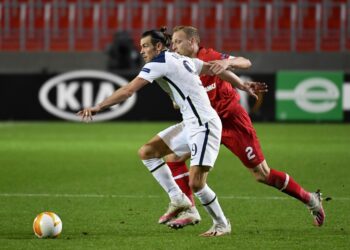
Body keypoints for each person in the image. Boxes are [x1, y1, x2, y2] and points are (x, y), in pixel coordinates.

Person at [77, 28, 252, 237]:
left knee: (197, 183)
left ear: (158, 46)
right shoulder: (180, 59)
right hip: (190, 124)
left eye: (145, 46)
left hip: (205, 125)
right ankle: (177, 198)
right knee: (148, 152)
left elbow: (129, 90)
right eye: (140, 46)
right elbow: (213, 69)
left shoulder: (159, 63)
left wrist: (99, 106)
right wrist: (241, 84)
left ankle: (222, 224)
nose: (141, 51)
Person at [161, 26, 325, 229]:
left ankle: (310, 199)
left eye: (178, 41)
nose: (174, 46)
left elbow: (245, 62)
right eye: (173, 42)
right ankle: (189, 209)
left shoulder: (209, 55)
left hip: (232, 122)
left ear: (193, 42)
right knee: (173, 157)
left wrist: (226, 62)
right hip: (203, 124)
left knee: (261, 174)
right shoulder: (180, 65)